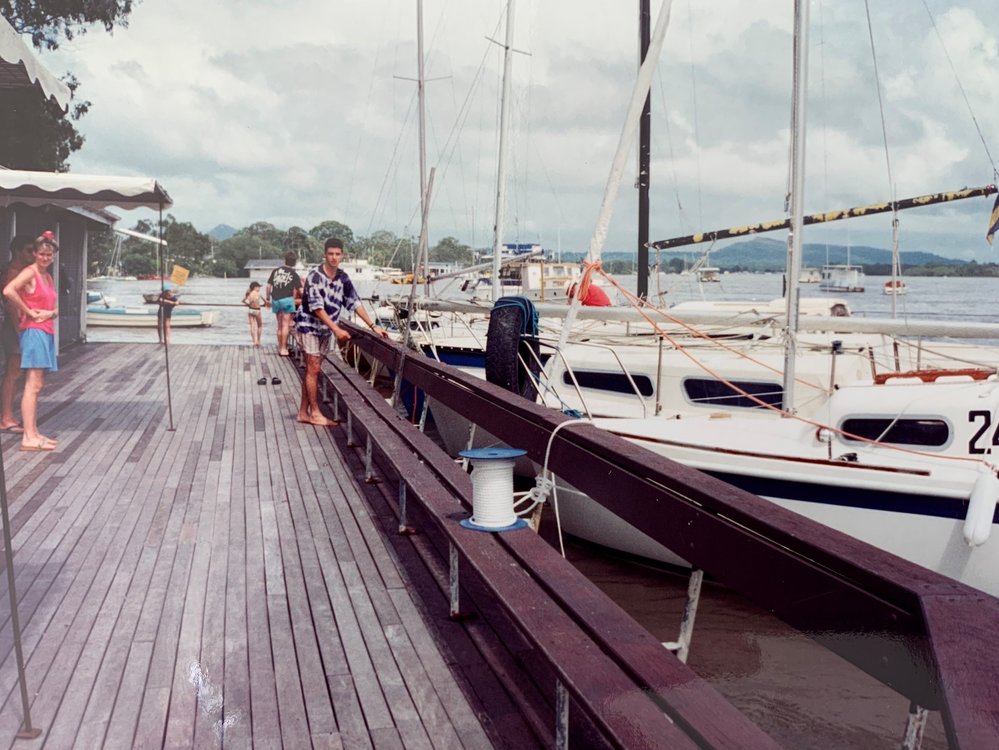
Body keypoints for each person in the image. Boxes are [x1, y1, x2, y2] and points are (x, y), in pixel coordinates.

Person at [294, 238, 388, 426]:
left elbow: (354, 302)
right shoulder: (315, 276)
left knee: (314, 371)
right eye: (330, 254)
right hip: (309, 325)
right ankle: (315, 413)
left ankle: (303, 412)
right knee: (313, 369)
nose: (334, 258)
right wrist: (337, 329)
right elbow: (317, 308)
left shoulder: (343, 278)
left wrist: (372, 326)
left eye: (337, 254)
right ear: (325, 254)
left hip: (326, 330)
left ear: (342, 255)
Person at [2, 232, 59, 451]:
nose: (45, 257)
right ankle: (28, 436)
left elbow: (53, 306)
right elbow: (8, 291)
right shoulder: (30, 272)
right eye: (41, 253)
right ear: (34, 254)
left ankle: (34, 432)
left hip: (45, 331)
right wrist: (28, 311)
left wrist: (50, 313)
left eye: (49, 254)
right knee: (32, 385)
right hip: (33, 331)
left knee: (37, 384)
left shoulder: (47, 276)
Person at [0, 236, 35, 433]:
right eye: (29, 250)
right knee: (13, 372)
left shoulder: (20, 272)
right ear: (19, 251)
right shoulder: (12, 272)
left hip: (20, 326)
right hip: (15, 327)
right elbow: (11, 304)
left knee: (16, 371)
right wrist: (19, 329)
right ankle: (6, 417)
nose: (33, 254)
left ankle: (8, 415)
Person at [266, 251, 302, 357]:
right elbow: (300, 290)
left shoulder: (275, 271)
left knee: (279, 325)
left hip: (276, 299)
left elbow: (268, 286)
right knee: (286, 325)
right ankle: (283, 349)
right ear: (294, 263)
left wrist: (268, 298)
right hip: (287, 300)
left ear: (285, 260)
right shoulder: (294, 274)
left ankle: (279, 347)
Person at [243, 281, 265, 346]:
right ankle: (258, 341)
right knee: (259, 326)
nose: (259, 288)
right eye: (258, 287)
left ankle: (254, 341)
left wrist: (249, 304)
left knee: (252, 326)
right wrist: (264, 304)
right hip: (257, 310)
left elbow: (243, 301)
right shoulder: (259, 294)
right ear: (255, 287)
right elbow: (266, 302)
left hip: (250, 310)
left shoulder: (249, 294)